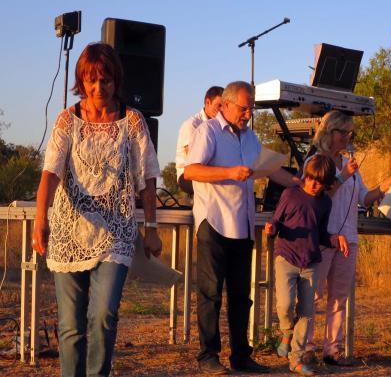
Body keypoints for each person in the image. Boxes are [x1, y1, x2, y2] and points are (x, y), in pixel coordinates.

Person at [32, 42, 162, 377]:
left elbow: (147, 177)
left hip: (115, 233)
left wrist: (151, 227)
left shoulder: (131, 121)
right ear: (82, 81)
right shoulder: (67, 120)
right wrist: (40, 220)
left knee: (103, 316)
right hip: (68, 231)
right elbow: (50, 173)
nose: (98, 87)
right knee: (71, 325)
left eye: (105, 80)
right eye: (91, 80)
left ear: (116, 81)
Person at [184, 81, 300, 375]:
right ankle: (208, 356)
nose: (248, 113)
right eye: (244, 107)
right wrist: (229, 173)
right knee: (211, 294)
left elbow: (271, 170)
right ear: (225, 104)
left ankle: (241, 355)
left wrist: (299, 183)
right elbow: (191, 170)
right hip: (214, 222)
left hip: (243, 224)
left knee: (241, 295)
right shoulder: (208, 131)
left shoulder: (250, 138)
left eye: (251, 108)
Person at [304, 110, 391, 366]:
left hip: (348, 237)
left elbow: (363, 198)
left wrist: (382, 189)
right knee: (313, 295)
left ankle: (332, 350)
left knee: (339, 296)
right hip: (323, 237)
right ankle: (306, 346)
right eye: (342, 132)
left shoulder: (350, 164)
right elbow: (315, 197)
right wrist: (342, 175)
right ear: (329, 132)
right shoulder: (315, 161)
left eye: (349, 132)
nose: (347, 137)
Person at [265, 154, 347, 376]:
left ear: (327, 184)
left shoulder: (324, 202)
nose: (313, 184)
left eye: (319, 182)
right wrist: (271, 230)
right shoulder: (290, 194)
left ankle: (296, 359)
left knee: (306, 312)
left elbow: (321, 234)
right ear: (304, 175)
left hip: (310, 262)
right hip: (286, 257)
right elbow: (276, 222)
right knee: (285, 304)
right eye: (310, 178)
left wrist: (335, 239)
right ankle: (285, 331)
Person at [175, 86, 223, 194]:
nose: (221, 110)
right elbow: (192, 160)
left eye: (224, 106)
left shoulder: (221, 125)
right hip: (187, 175)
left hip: (211, 171)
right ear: (207, 102)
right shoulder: (192, 124)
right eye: (219, 105)